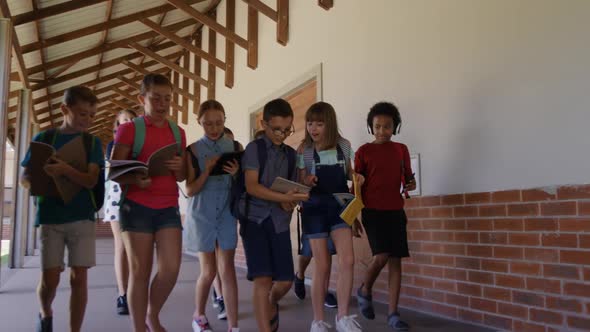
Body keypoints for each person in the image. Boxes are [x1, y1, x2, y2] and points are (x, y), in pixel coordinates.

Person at [20, 86, 103, 332]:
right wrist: (42, 178)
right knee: (51, 278)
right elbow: (26, 178)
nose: (86, 120)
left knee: (80, 278)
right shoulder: (44, 139)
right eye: (81, 113)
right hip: (50, 217)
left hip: (82, 216)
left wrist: (64, 170)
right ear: (64, 109)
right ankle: (45, 311)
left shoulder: (92, 142)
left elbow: (91, 180)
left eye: (91, 115)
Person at [111, 73, 187, 332]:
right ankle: (139, 327)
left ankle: (151, 314)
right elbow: (115, 172)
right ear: (142, 99)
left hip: (168, 206)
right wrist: (135, 179)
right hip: (136, 207)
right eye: (156, 99)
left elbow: (184, 176)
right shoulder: (129, 129)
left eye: (167, 99)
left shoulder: (178, 132)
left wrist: (180, 167)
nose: (163, 104)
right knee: (140, 272)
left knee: (171, 269)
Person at [240, 98, 309, 332]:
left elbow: (289, 187)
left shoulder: (290, 154)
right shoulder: (254, 149)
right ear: (264, 123)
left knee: (285, 281)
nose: (281, 134)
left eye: (287, 129)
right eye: (276, 129)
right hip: (254, 221)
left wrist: (293, 198)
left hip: (279, 222)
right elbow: (252, 186)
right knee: (262, 279)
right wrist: (284, 199)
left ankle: (270, 302)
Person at [297, 102, 364, 332]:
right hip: (314, 208)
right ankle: (318, 321)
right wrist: (306, 181)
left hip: (340, 206)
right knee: (322, 265)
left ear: (330, 124)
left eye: (319, 123)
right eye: (310, 123)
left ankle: (343, 317)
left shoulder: (344, 146)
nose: (313, 128)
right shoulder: (303, 149)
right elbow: (300, 178)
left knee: (348, 260)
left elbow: (349, 172)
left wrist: (357, 177)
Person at [355, 102, 415, 331]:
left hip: (396, 211)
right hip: (372, 211)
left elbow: (408, 180)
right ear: (371, 127)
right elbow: (356, 185)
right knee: (380, 256)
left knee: (395, 262)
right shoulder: (363, 151)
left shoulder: (401, 149)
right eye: (377, 126)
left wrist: (411, 183)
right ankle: (365, 289)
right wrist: (352, 216)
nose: (382, 131)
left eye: (387, 126)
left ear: (395, 127)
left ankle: (393, 313)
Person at [185, 100, 240, 332]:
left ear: (225, 120)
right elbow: (189, 190)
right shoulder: (193, 150)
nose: (214, 128)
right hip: (202, 213)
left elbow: (243, 185)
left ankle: (234, 326)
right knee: (208, 272)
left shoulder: (235, 146)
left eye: (219, 123)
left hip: (227, 213)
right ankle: (198, 316)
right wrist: (206, 170)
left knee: (227, 269)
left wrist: (236, 174)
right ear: (200, 122)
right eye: (208, 123)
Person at [103, 109, 136, 315]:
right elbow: (115, 168)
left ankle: (133, 288)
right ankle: (123, 293)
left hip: (138, 195)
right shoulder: (112, 145)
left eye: (133, 119)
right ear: (117, 124)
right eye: (125, 120)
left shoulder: (141, 143)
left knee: (137, 248)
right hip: (116, 197)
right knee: (121, 246)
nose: (129, 122)